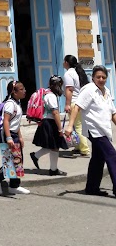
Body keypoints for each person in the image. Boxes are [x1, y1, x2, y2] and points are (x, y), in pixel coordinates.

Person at [65, 65, 116, 197]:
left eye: (104, 77)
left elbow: (113, 113)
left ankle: (92, 188)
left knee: (98, 159)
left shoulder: (107, 91)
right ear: (93, 77)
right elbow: (77, 107)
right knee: (112, 156)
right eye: (98, 77)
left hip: (105, 130)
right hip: (95, 130)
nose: (101, 79)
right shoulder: (88, 90)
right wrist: (70, 126)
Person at [0, 80, 30, 196]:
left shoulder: (17, 103)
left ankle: (14, 185)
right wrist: (9, 138)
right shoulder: (10, 104)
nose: (24, 91)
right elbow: (6, 121)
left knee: (18, 160)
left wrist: (20, 137)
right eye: (21, 89)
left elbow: (15, 122)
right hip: (7, 134)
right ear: (14, 92)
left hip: (14, 133)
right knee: (10, 160)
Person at [30, 76, 68, 176]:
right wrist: (60, 129)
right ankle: (53, 169)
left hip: (47, 122)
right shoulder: (51, 96)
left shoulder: (48, 94)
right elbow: (55, 113)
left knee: (53, 146)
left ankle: (39, 158)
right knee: (54, 146)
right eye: (60, 85)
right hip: (49, 123)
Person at [62, 54, 90, 156]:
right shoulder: (78, 72)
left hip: (74, 103)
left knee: (78, 127)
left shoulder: (68, 74)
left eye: (64, 61)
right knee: (76, 125)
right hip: (79, 102)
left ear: (66, 63)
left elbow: (69, 89)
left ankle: (84, 149)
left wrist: (67, 104)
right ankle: (78, 147)